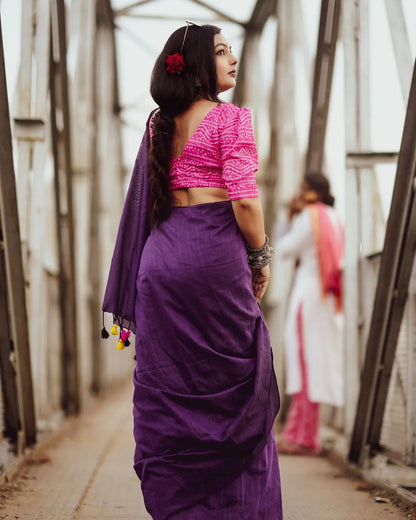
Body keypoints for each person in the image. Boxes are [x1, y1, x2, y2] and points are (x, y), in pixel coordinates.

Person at [102, 22, 283, 520]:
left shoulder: (159, 124)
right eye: (221, 52)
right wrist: (262, 257)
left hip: (160, 263)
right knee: (237, 388)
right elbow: (245, 203)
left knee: (171, 384)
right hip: (213, 260)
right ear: (200, 63)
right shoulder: (231, 120)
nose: (233, 59)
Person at [276, 172, 344, 455]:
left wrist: (288, 219)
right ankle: (304, 434)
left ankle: (302, 436)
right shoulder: (336, 218)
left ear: (310, 192)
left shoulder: (308, 217)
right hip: (328, 298)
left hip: (308, 296)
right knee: (315, 363)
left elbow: (284, 249)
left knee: (304, 363)